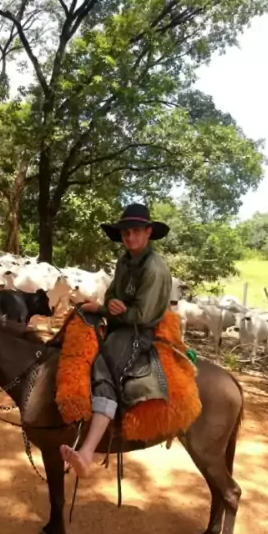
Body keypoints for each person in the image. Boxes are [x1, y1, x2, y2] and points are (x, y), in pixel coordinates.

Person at [60, 203, 173, 478]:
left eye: (135, 232)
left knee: (103, 367)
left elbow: (142, 315)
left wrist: (104, 310)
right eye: (125, 233)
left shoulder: (154, 269)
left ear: (148, 232)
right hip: (120, 322)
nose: (130, 237)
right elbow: (112, 294)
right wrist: (109, 304)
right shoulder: (124, 261)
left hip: (138, 331)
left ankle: (87, 453)